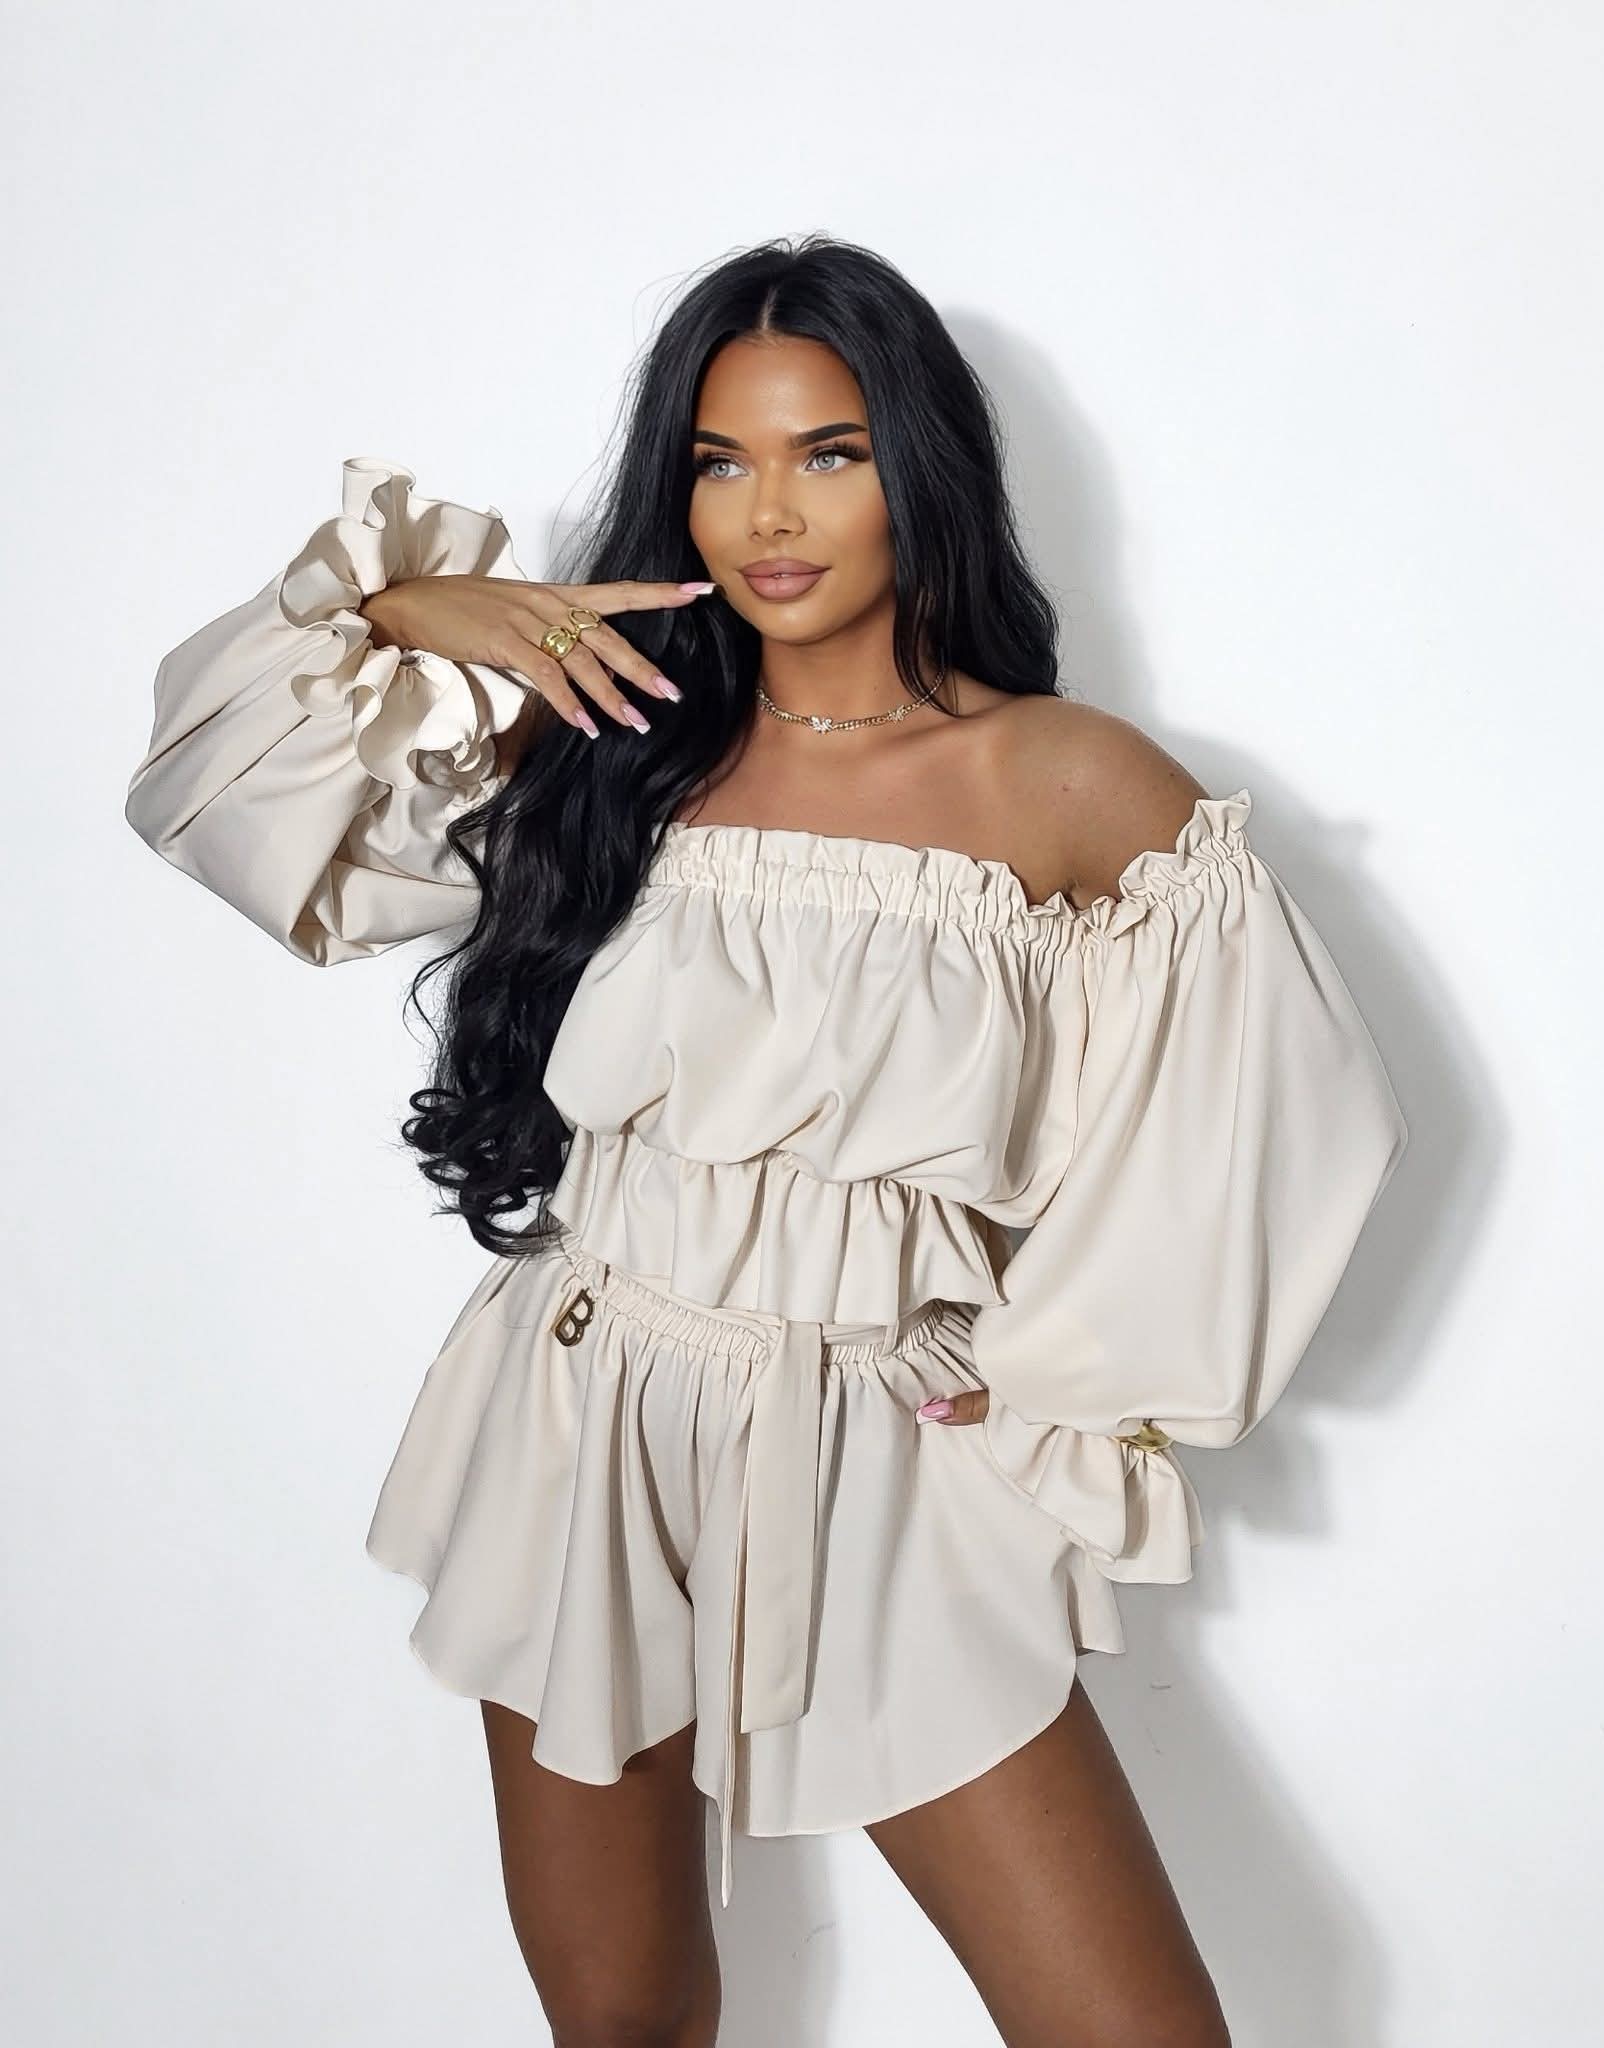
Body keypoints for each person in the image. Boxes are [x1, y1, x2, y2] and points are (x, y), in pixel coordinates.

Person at [124, 233, 1407, 2047]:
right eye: (721, 461)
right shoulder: (613, 737)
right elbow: (214, 800)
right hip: (584, 1410)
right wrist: (411, 614)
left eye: (830, 453)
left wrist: (1056, 1384)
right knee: (626, 2019)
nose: (769, 515)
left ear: (919, 472)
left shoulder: (1058, 777)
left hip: (875, 1443)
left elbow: (1273, 1110)